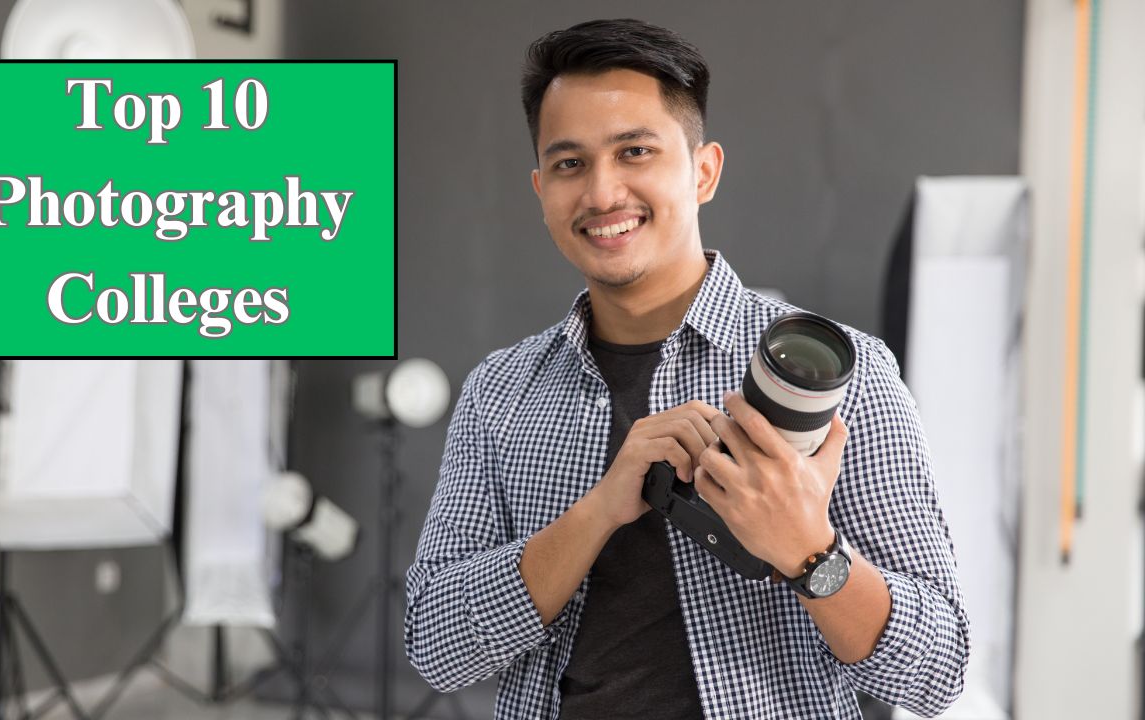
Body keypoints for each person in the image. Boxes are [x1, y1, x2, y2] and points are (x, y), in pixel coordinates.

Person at [404, 18, 969, 720]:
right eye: (569, 163)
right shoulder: (502, 392)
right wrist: (599, 510)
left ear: (703, 172)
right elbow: (436, 646)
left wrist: (808, 552)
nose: (603, 193)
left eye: (634, 151)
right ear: (541, 188)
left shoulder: (845, 377)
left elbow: (936, 671)